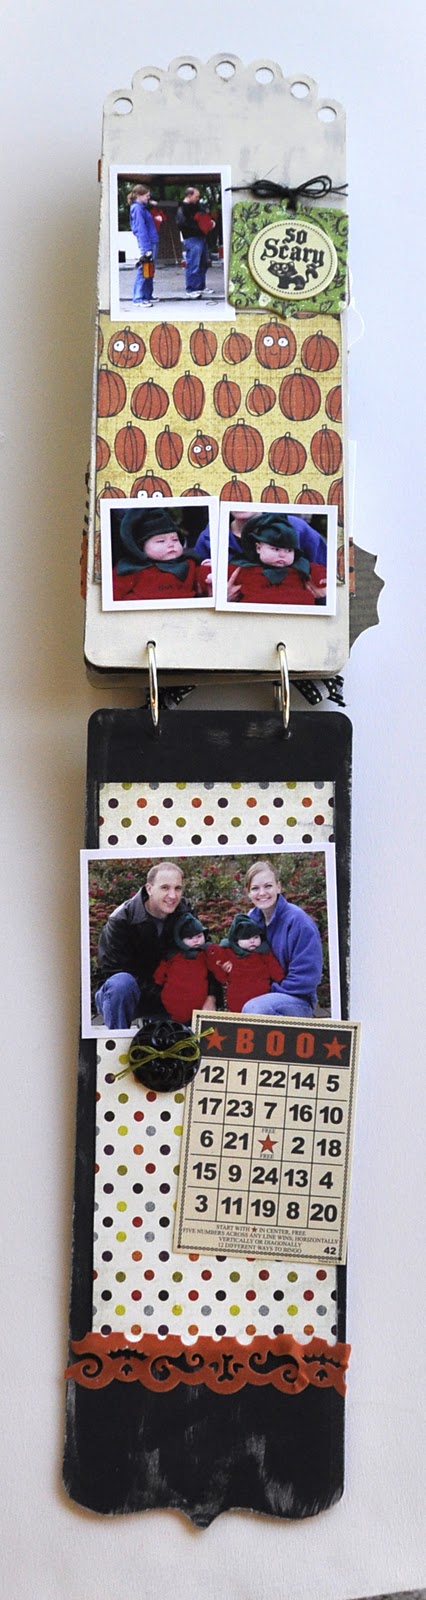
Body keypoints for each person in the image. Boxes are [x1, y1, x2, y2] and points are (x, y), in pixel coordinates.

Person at [95, 861, 186, 1028]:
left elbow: (202, 956)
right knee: (121, 983)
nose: (173, 896)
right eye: (165, 888)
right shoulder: (121, 920)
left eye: (178, 888)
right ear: (149, 889)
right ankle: (117, 1039)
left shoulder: (185, 913)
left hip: (168, 993)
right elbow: (113, 971)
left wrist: (209, 996)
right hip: (126, 994)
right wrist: (165, 995)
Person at [241, 860, 323, 1017]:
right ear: (248, 892)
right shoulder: (249, 921)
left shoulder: (299, 922)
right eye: (255, 888)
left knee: (256, 1009)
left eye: (268, 886)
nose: (262, 893)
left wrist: (266, 992)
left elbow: (305, 978)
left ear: (279, 887)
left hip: (296, 999)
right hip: (260, 994)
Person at [112, 506, 211, 603]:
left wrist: (210, 576)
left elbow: (205, 576)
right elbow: (114, 592)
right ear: (140, 547)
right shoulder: (129, 569)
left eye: (175, 539)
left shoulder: (189, 564)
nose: (171, 544)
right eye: (161, 541)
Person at [227, 513, 327, 606]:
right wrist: (220, 597)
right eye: (276, 549)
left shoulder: (298, 531)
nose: (282, 555)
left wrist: (324, 586)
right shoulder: (245, 567)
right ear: (258, 548)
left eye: (289, 550)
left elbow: (324, 573)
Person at [207, 912, 284, 1012]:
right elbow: (218, 970)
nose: (252, 941)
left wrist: (281, 980)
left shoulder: (264, 953)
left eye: (256, 937)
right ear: (236, 940)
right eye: (247, 938)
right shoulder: (229, 953)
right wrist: (220, 962)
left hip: (261, 999)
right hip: (237, 999)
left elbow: (276, 971)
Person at [154, 912, 217, 1024]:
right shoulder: (172, 956)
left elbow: (216, 974)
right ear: (180, 940)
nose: (196, 940)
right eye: (190, 938)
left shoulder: (207, 955)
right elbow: (159, 977)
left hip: (199, 1005)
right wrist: (158, 983)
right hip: (173, 1003)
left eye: (199, 936)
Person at [176, 187, 215, 299]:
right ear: (189, 195)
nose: (198, 199)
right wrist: (202, 227)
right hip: (191, 238)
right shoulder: (182, 208)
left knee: (203, 263)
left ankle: (200, 286)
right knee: (193, 263)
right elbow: (182, 224)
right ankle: (191, 288)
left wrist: (208, 223)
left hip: (201, 237)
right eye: (196, 196)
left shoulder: (196, 206)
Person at [128, 184, 159, 307]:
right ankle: (138, 297)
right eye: (147, 195)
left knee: (149, 269)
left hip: (152, 240)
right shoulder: (137, 208)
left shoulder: (142, 207)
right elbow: (140, 229)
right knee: (144, 268)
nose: (148, 198)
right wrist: (146, 248)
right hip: (148, 242)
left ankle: (147, 295)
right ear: (138, 195)